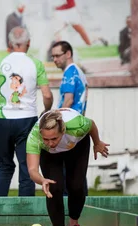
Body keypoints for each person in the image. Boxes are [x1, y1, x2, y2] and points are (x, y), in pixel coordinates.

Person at [0, 27, 53, 197]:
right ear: (29, 42)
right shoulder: (36, 63)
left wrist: (2, 97)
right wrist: (47, 110)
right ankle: (26, 212)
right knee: (27, 165)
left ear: (10, 43)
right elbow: (47, 94)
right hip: (27, 119)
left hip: (3, 119)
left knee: (4, 164)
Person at [26, 109, 110, 226]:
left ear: (63, 131)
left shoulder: (76, 125)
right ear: (40, 133)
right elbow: (32, 170)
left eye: (54, 138)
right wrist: (42, 180)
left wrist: (97, 142)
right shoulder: (34, 137)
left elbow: (91, 124)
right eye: (46, 139)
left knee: (76, 185)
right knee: (54, 187)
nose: (50, 143)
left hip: (76, 147)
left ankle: (74, 225)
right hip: (50, 156)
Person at [51, 40, 89, 196]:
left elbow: (68, 100)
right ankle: (82, 208)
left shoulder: (70, 72)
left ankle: (68, 210)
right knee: (78, 171)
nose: (54, 60)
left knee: (67, 172)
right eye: (52, 56)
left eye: (57, 55)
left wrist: (53, 119)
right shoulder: (79, 72)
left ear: (68, 54)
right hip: (78, 124)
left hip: (68, 126)